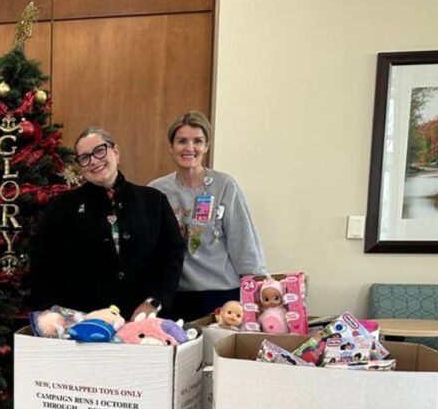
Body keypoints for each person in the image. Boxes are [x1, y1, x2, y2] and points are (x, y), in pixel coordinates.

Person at [29, 126, 185, 320]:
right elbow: (43, 263)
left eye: (99, 150)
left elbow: (172, 255)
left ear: (116, 151)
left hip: (142, 322)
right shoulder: (62, 207)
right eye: (85, 158)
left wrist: (154, 302)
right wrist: (48, 313)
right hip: (84, 323)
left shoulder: (154, 201)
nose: (94, 161)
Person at [149, 110, 266, 322]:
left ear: (206, 146)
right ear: (171, 146)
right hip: (176, 296)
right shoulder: (157, 191)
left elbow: (243, 241)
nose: (189, 148)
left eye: (197, 141)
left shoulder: (224, 186)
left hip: (222, 295)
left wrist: (256, 291)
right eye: (182, 141)